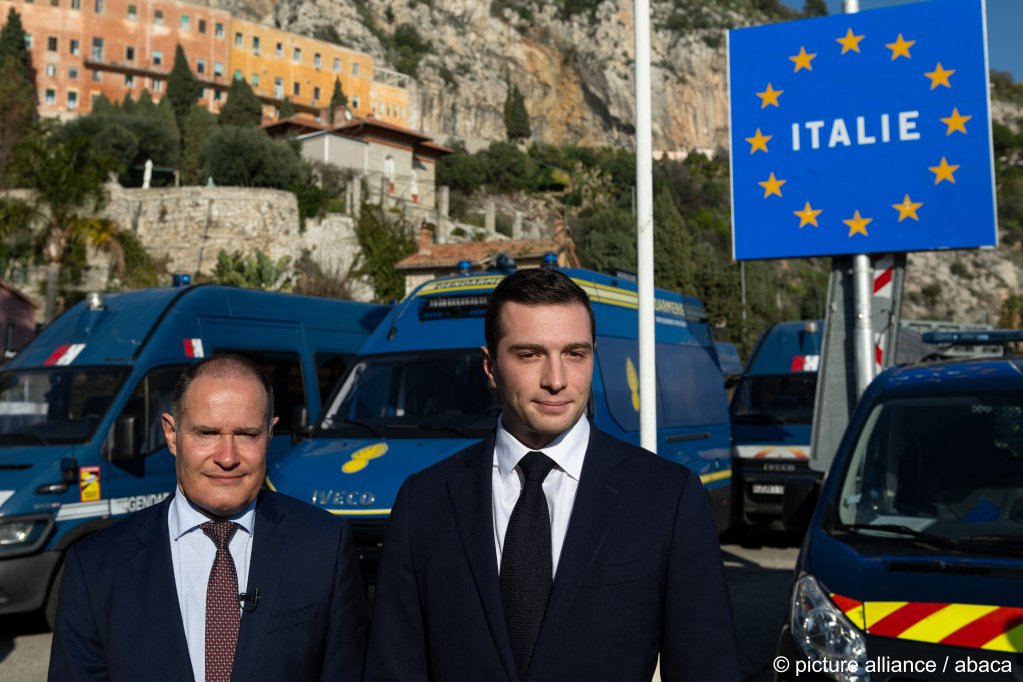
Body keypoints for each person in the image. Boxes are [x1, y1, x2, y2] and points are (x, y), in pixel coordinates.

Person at [364, 268, 740, 681]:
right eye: (529, 355)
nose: (556, 380)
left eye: (574, 354)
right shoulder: (425, 501)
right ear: (490, 366)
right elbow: (393, 667)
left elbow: (708, 665)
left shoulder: (667, 498)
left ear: (593, 356)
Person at [49, 355, 366, 682]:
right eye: (207, 433)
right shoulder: (96, 567)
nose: (227, 457)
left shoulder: (324, 547)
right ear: (171, 435)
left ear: (269, 435)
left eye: (246, 434)